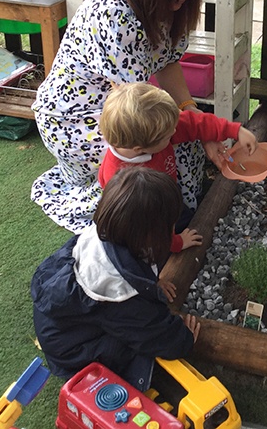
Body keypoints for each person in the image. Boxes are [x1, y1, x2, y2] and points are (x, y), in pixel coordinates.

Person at [31, 0, 223, 233]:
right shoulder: (115, 17)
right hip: (75, 118)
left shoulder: (163, 5)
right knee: (158, 153)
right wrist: (202, 129)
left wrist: (191, 111)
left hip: (123, 104)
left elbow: (168, 63)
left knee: (182, 143)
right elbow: (137, 115)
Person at [31, 167, 201, 389]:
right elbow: (153, 332)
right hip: (74, 352)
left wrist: (152, 282)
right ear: (152, 236)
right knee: (129, 347)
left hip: (62, 325)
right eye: (170, 226)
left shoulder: (109, 232)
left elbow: (136, 266)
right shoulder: (116, 293)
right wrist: (183, 339)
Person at [98, 82, 258, 251]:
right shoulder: (125, 182)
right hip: (150, 220)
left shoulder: (154, 130)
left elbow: (194, 123)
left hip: (167, 199)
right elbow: (150, 226)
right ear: (140, 148)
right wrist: (177, 243)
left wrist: (236, 131)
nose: (175, 132)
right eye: (168, 137)